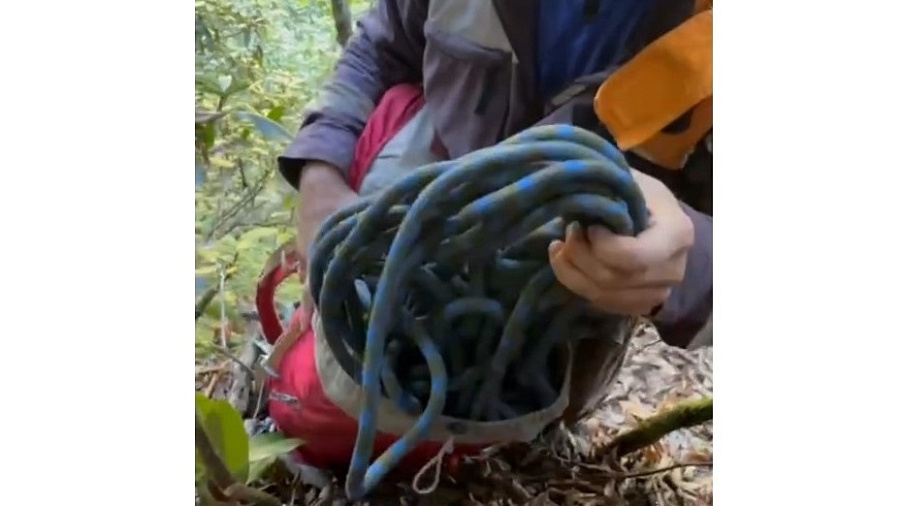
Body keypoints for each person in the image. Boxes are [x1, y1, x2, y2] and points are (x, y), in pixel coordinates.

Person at [261, 0, 712, 474]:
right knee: (318, 404)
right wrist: (320, 179)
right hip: (387, 272)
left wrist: (690, 262)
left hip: (544, 354)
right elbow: (381, 43)